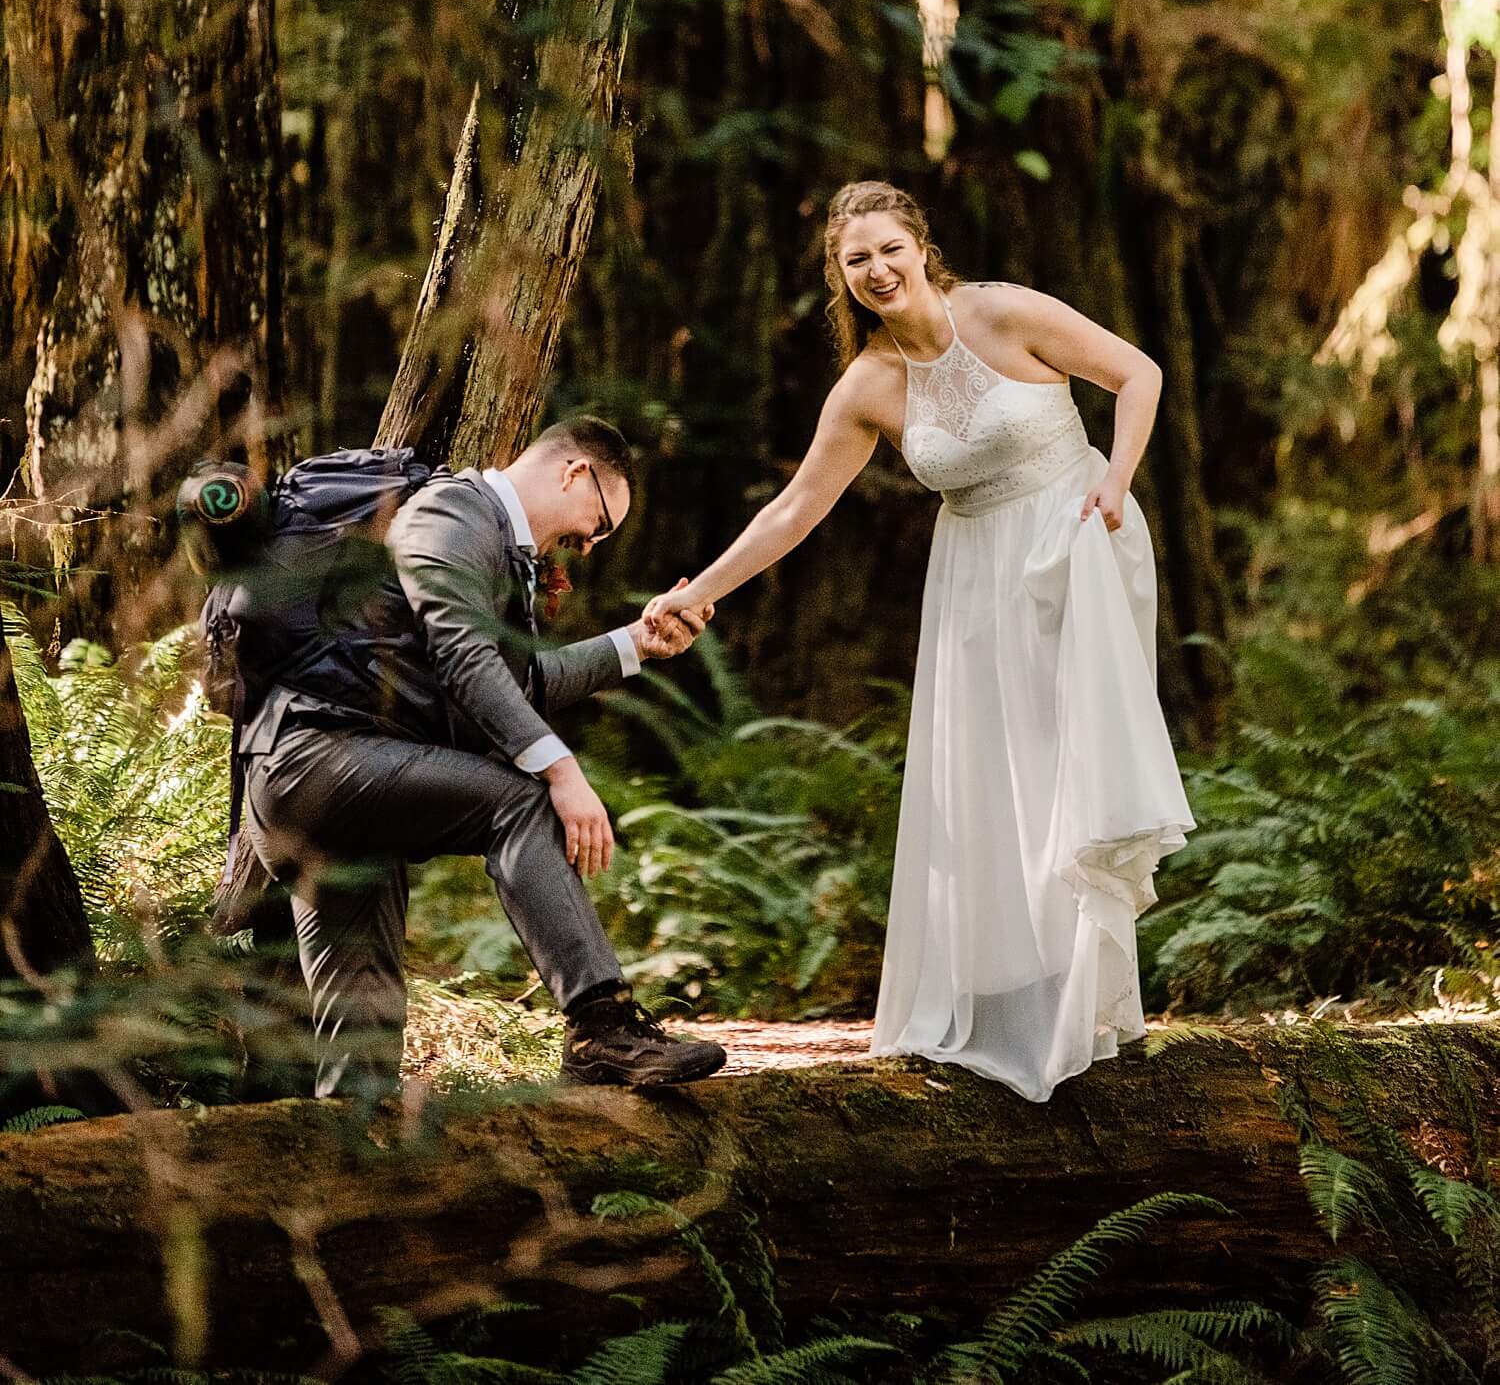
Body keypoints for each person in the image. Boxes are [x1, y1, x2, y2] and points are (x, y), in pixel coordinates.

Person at [644, 182, 1195, 1102]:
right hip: (976, 582)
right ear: (841, 274)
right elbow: (794, 508)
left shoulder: (1006, 311)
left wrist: (1119, 482)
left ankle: (1086, 1005)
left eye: (890, 248)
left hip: (1071, 547)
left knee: (1071, 774)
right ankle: (1011, 1007)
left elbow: (1139, 372)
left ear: (920, 246)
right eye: (857, 259)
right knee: (993, 785)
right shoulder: (868, 384)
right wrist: (699, 593)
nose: (878, 270)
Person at [241, 416, 728, 1097]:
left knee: (365, 1052)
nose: (589, 545)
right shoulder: (451, 509)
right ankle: (602, 1027)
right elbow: (463, 655)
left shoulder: (483, 540)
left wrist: (636, 645)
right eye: (601, 522)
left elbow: (505, 688)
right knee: (522, 799)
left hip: (328, 789)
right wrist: (561, 769)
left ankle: (341, 1174)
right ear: (574, 471)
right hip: (317, 761)